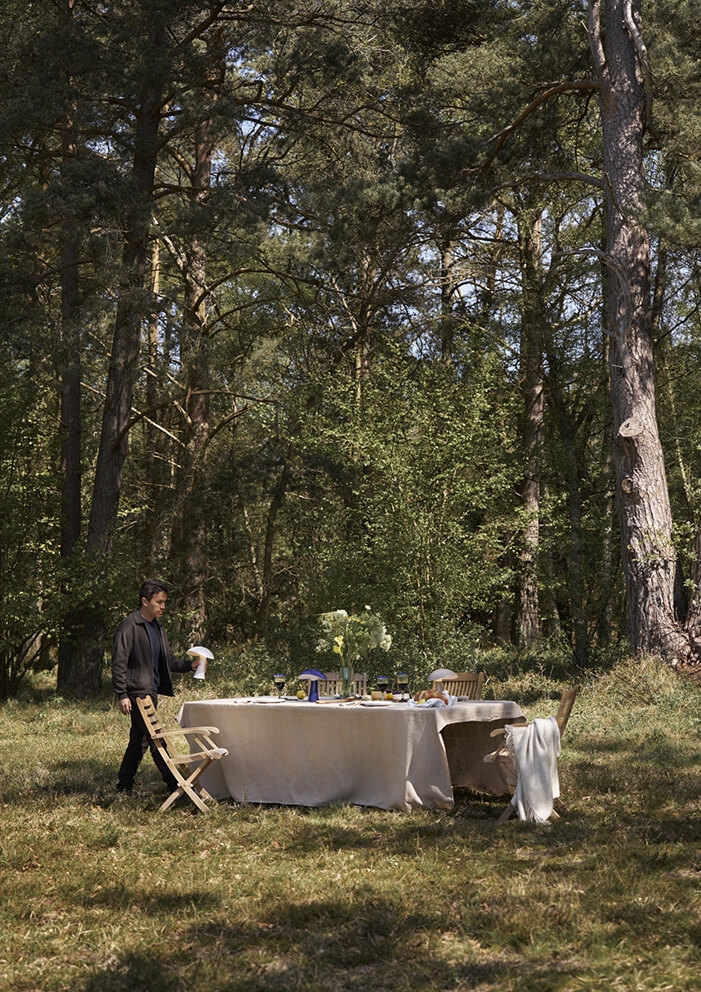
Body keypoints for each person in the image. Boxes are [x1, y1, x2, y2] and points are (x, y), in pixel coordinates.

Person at [111, 579, 203, 795]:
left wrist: (189, 666)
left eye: (164, 602)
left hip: (151, 692)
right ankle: (176, 786)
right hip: (137, 693)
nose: (163, 606)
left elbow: (168, 660)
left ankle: (123, 786)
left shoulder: (157, 627)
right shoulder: (129, 627)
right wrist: (122, 694)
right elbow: (119, 663)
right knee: (156, 740)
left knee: (139, 741)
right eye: (159, 602)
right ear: (145, 601)